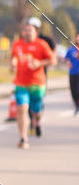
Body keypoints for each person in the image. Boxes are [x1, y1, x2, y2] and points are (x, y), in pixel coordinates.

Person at [10, 20, 56, 149]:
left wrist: (39, 63)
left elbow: (53, 60)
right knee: (21, 110)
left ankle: (37, 120)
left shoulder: (42, 44)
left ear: (36, 32)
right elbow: (14, 56)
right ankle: (23, 139)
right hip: (21, 84)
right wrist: (13, 63)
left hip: (37, 84)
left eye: (30, 30)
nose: (27, 33)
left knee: (36, 110)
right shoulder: (17, 44)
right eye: (25, 30)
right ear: (22, 32)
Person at [26, 16, 56, 133]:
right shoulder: (24, 40)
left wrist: (42, 62)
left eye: (33, 28)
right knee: (27, 102)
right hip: (25, 77)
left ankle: (36, 120)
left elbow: (53, 55)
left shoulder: (46, 41)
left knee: (38, 100)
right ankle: (34, 122)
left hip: (41, 75)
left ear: (37, 29)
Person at [64, 31, 79, 114]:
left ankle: (77, 105)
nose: (78, 39)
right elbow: (66, 59)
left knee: (77, 91)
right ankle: (76, 104)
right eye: (77, 37)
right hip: (72, 73)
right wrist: (67, 62)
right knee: (73, 91)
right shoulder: (71, 49)